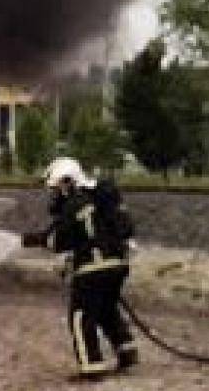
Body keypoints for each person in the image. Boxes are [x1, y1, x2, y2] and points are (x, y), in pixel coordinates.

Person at [27, 156, 139, 378]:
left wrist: (27, 240)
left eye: (57, 187)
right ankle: (127, 352)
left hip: (91, 269)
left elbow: (57, 240)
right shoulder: (99, 200)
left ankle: (92, 367)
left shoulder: (73, 204)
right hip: (117, 265)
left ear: (68, 182)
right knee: (107, 310)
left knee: (81, 316)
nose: (55, 194)